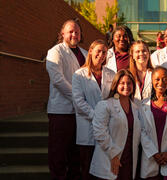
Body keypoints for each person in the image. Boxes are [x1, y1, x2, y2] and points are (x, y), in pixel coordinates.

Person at [46, 19, 87, 180]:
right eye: (70, 31)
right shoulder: (55, 52)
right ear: (62, 33)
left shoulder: (85, 53)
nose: (74, 34)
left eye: (77, 31)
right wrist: (79, 98)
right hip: (61, 112)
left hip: (81, 114)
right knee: (59, 154)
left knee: (76, 155)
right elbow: (58, 80)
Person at [72, 39, 115, 180]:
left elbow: (114, 98)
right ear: (90, 51)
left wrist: (104, 118)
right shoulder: (79, 74)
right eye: (98, 51)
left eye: (104, 52)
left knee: (103, 169)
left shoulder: (111, 74)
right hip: (87, 128)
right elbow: (78, 102)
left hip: (106, 129)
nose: (101, 55)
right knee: (87, 168)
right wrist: (97, 117)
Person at [89, 70, 141, 180]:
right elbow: (99, 132)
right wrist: (113, 155)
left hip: (128, 159)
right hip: (109, 158)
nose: (126, 86)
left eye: (129, 83)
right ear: (116, 85)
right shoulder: (105, 105)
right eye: (122, 83)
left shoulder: (136, 108)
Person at [139, 66, 167, 179]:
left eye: (164, 79)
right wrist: (153, 153)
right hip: (150, 155)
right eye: (157, 79)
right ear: (152, 80)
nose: (161, 82)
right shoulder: (143, 104)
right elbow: (141, 131)